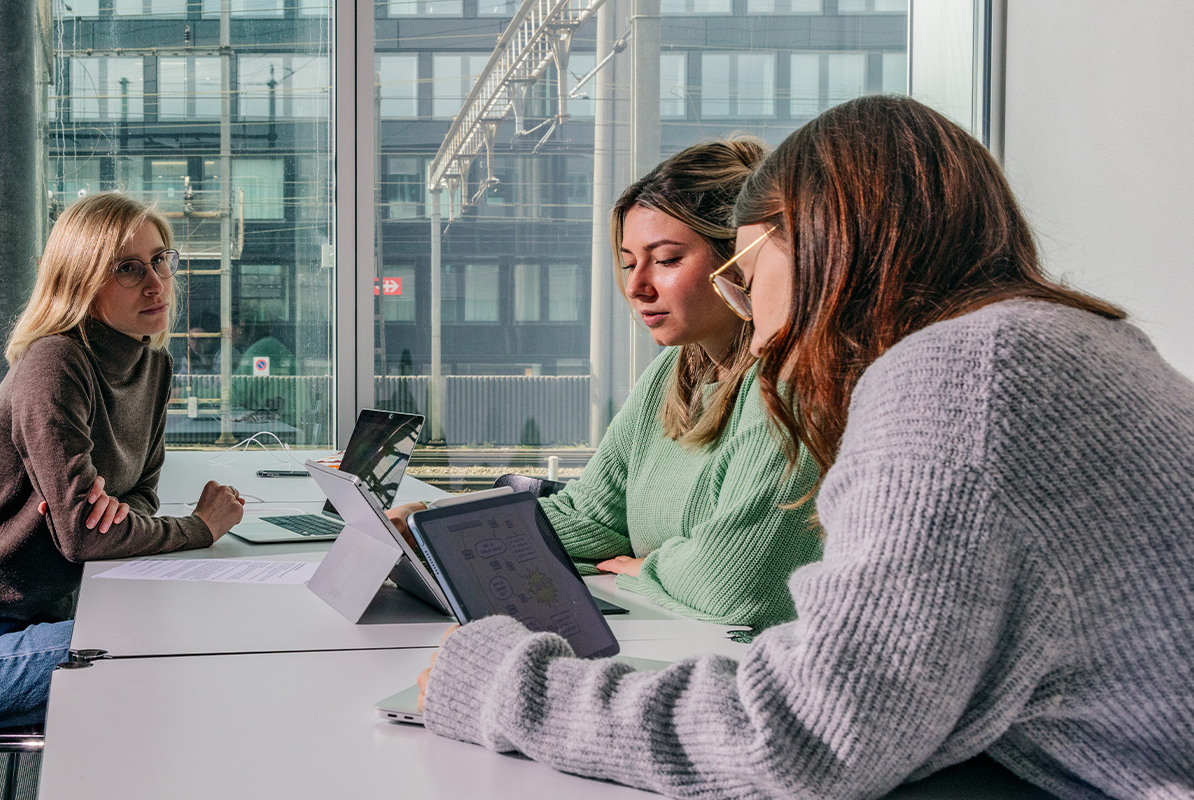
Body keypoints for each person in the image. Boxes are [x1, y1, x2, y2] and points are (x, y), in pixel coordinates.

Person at [416, 95, 1194, 798]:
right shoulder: (1084, 342)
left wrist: (506, 687)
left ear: (825, 243)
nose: (750, 315)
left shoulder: (958, 376)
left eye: (746, 273)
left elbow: (801, 737)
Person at [390, 138, 823, 631]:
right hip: (672, 632)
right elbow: (592, 517)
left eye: (666, 259)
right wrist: (439, 529)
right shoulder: (674, 371)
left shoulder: (790, 385)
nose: (637, 286)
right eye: (628, 262)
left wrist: (646, 570)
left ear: (740, 261)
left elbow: (735, 585)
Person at [0, 193, 246, 731]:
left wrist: (116, 511)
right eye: (128, 269)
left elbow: (141, 496)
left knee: (177, 649)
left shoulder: (152, 365)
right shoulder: (55, 363)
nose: (156, 282)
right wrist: (199, 528)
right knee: (178, 645)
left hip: (50, 621)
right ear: (82, 284)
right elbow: (84, 539)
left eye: (161, 259)